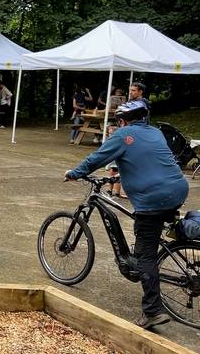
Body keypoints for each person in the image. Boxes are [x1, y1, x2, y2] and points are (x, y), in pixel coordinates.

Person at [64, 100, 188, 329]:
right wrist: (118, 177)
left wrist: (75, 173)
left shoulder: (123, 135)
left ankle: (152, 312)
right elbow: (147, 161)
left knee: (145, 256)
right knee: (149, 237)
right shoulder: (156, 132)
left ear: (122, 120)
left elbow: (96, 159)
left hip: (154, 198)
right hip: (177, 189)